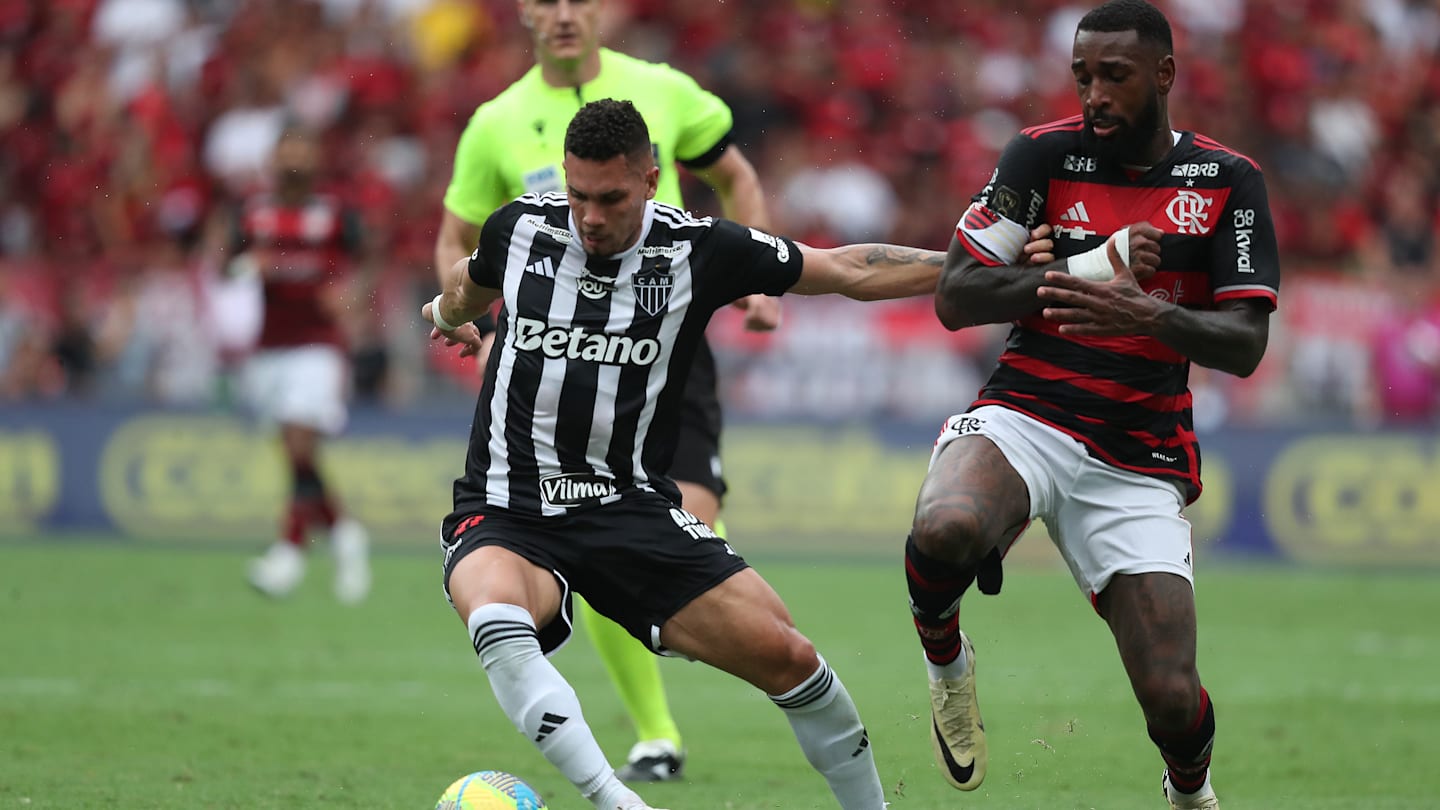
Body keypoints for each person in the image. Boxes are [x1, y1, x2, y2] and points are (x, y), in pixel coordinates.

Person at [424, 97, 965, 810]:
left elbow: (848, 271)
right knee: (495, 613)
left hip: (628, 508)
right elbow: (470, 281)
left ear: (650, 179)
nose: (590, 216)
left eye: (611, 199)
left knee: (791, 657)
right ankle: (621, 802)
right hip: (505, 505)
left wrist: (978, 260)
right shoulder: (521, 228)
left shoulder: (700, 248)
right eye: (579, 195)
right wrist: (448, 313)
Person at [902, 2, 1280, 809]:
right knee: (946, 527)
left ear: (1164, 76)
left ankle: (1191, 793)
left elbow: (1245, 344)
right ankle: (947, 666)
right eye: (1083, 76)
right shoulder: (1040, 157)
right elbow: (956, 295)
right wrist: (1089, 266)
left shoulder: (1226, 181)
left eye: (1115, 76)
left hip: (1138, 451)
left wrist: (1157, 317)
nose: (1095, 94)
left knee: (1173, 699)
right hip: (1027, 414)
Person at [432, 0, 781, 782]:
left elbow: (735, 174)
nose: (563, 14)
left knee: (680, 527)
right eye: (547, 0)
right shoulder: (496, 121)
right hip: (556, 371)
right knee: (590, 529)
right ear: (524, 13)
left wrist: (761, 283)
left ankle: (693, 681)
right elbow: (457, 240)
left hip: (663, 356)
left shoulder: (660, 88)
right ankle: (656, 734)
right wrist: (469, 317)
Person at [237, 126, 374, 605]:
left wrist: (352, 297)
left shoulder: (335, 212)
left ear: (315, 157)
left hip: (318, 344)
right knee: (297, 455)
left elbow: (366, 264)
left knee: (298, 440)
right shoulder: (254, 211)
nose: (294, 159)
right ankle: (345, 533)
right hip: (269, 346)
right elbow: (224, 263)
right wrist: (241, 266)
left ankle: (289, 550)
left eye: (302, 149)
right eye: (286, 150)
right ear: (273, 156)